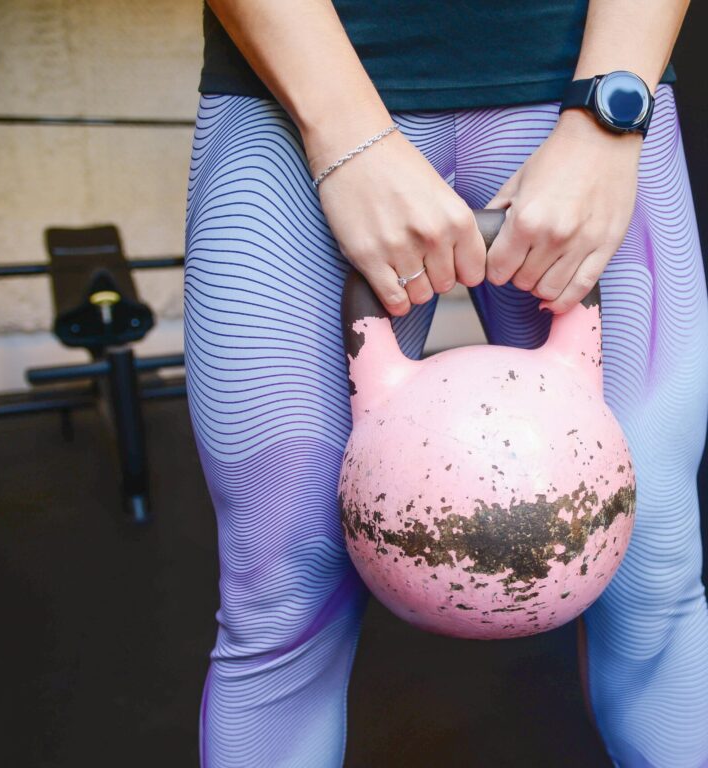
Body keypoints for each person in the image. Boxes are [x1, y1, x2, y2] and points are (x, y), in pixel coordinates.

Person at [184, 1, 708, 765]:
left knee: (652, 578)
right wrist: (343, 135)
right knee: (282, 598)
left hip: (582, 94)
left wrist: (609, 115)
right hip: (291, 99)